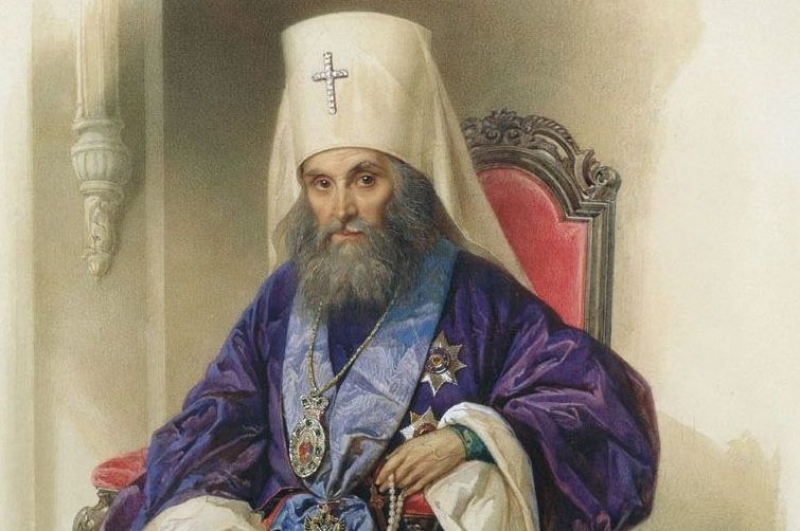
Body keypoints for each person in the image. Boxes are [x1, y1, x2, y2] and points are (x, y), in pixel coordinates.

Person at [103, 12, 658, 531]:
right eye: (322, 184)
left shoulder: (476, 295)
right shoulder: (283, 296)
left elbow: (594, 403)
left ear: (407, 185)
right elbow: (221, 412)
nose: (341, 208)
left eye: (365, 179)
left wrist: (469, 440)